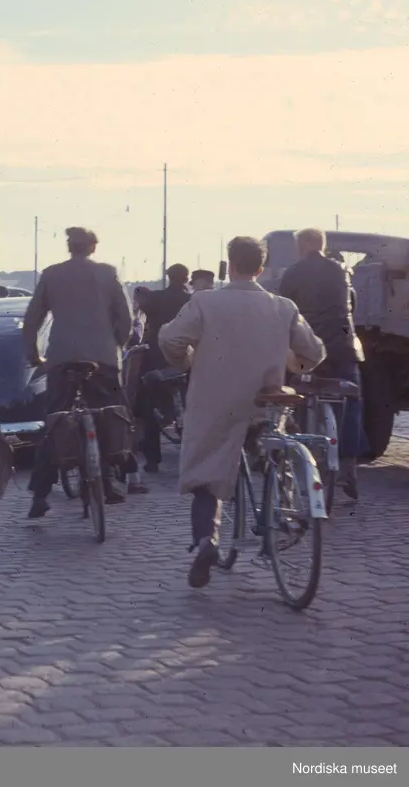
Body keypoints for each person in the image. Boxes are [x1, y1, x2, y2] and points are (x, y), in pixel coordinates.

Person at [159, 235, 325, 588]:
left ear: (230, 264)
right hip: (266, 401)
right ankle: (279, 499)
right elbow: (314, 351)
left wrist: (188, 360)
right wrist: (292, 364)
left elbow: (171, 340)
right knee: (268, 447)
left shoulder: (205, 302)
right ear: (260, 270)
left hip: (215, 402)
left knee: (206, 474)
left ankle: (208, 540)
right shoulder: (283, 307)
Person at [22, 227, 134, 519]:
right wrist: (115, 346)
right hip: (103, 359)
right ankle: (109, 480)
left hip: (62, 358)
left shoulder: (51, 274)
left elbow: (32, 319)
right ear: (93, 247)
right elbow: (126, 318)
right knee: (111, 415)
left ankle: (40, 494)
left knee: (55, 422)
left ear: (69, 247)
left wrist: (34, 355)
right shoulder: (108, 273)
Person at [278, 227, 366, 499]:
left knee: (292, 396)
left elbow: (284, 309)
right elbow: (352, 303)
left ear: (303, 245)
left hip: (309, 350)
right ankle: (349, 466)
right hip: (342, 348)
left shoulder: (292, 272)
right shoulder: (342, 270)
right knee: (352, 402)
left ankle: (299, 453)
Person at [136, 264, 193, 474]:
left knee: (149, 406)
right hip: (184, 357)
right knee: (193, 404)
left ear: (168, 277)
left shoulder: (156, 298)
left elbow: (142, 309)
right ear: (186, 278)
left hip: (156, 357)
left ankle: (152, 459)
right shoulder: (191, 301)